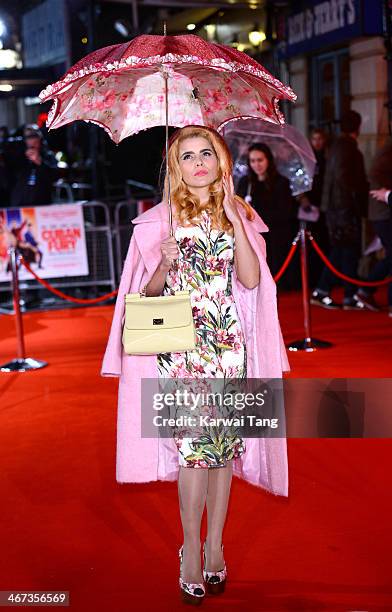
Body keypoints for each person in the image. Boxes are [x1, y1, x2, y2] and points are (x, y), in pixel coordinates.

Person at [101, 125, 290, 605]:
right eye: (187, 156)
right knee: (193, 452)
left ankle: (214, 546)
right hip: (182, 348)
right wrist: (163, 264)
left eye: (207, 153)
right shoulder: (157, 222)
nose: (198, 162)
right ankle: (189, 548)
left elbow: (250, 280)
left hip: (229, 345)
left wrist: (234, 218)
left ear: (222, 161)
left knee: (223, 452)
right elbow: (143, 298)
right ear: (176, 168)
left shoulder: (240, 213)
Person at [311, 110, 370, 310]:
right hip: (344, 209)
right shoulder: (349, 149)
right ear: (358, 127)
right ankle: (345, 295)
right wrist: (357, 201)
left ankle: (326, 291)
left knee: (340, 252)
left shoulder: (336, 147)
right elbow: (347, 180)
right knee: (348, 252)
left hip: (335, 209)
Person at [237, 143, 297, 289]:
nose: (256, 164)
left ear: (268, 160)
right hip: (252, 234)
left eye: (260, 160)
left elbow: (286, 212)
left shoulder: (281, 182)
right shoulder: (246, 182)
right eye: (253, 161)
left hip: (275, 234)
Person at [9, 124, 58, 208]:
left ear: (40, 138)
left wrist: (39, 162)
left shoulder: (48, 155)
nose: (31, 140)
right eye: (28, 137)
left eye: (34, 136)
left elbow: (54, 176)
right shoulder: (19, 156)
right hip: (20, 204)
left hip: (42, 204)